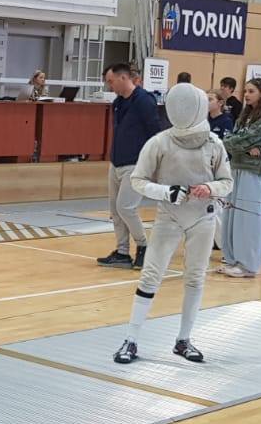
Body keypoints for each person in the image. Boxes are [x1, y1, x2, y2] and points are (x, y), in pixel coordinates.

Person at [112, 84, 232, 365]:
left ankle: (184, 340)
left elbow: (227, 182)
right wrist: (167, 192)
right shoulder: (160, 142)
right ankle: (131, 340)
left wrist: (209, 188)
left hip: (203, 217)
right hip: (169, 216)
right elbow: (138, 180)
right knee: (150, 276)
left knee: (195, 277)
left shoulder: (214, 143)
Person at [98, 63, 165, 269]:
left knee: (126, 207)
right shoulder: (118, 102)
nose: (109, 86)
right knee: (115, 210)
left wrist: (154, 163)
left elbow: (155, 132)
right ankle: (122, 252)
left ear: (123, 78)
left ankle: (144, 246)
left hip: (136, 164)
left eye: (111, 81)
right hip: (117, 162)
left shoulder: (144, 100)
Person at [218, 78, 261, 278]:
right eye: (245, 91)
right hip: (236, 167)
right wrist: (242, 147)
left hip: (253, 170)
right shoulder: (245, 114)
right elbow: (230, 138)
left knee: (248, 217)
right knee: (231, 216)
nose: (246, 95)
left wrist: (240, 144)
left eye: (251, 91)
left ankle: (248, 264)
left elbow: (249, 138)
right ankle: (233, 259)